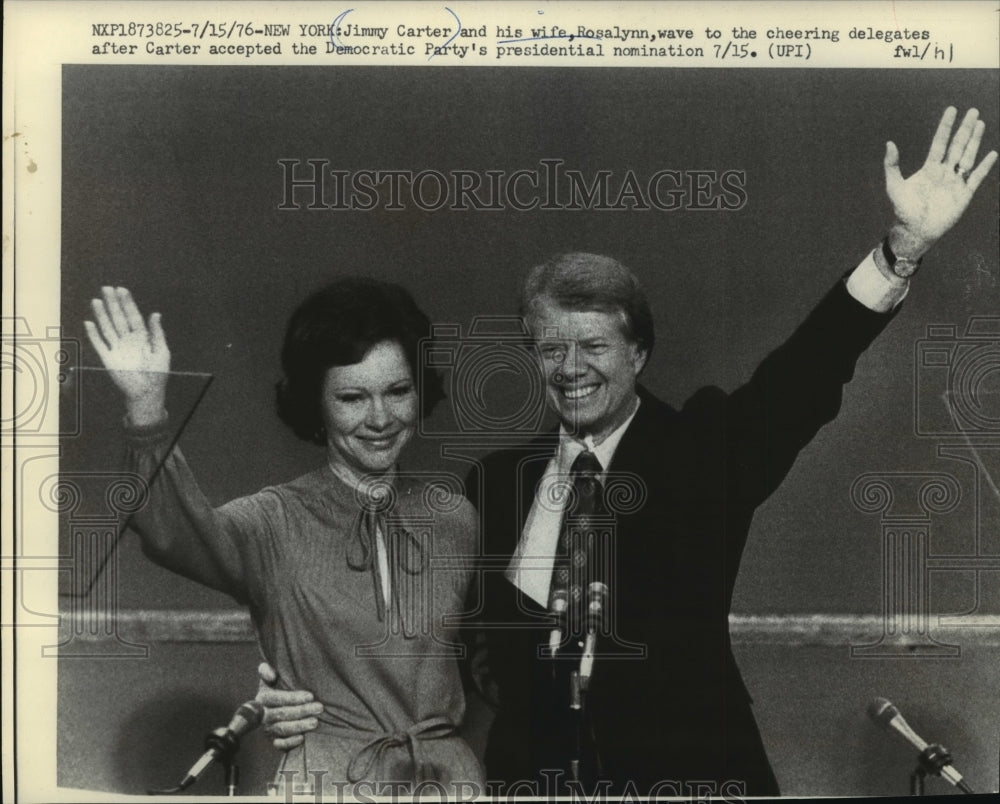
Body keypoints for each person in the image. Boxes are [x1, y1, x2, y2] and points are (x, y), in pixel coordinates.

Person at [256, 107, 997, 795]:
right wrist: (303, 687)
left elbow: (804, 373)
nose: (570, 367)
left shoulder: (705, 450)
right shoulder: (496, 482)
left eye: (594, 346)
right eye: (551, 348)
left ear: (638, 352)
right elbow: (430, 637)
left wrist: (901, 251)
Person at [83, 277, 485, 794]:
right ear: (316, 403)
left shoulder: (456, 519)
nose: (380, 418)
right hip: (328, 783)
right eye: (352, 397)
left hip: (450, 784)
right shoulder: (274, 521)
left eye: (398, 391)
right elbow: (169, 531)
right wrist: (146, 408)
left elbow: (487, 670)